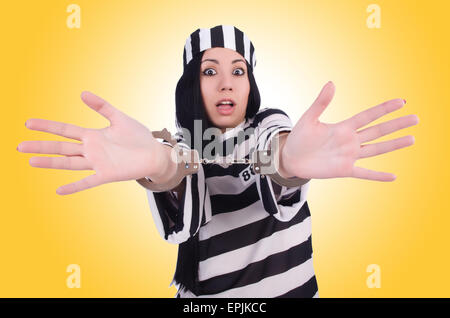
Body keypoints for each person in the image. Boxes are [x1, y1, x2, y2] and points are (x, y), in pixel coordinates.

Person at [17, 25, 419, 298]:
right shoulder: (181, 148)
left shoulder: (271, 125)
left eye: (238, 71)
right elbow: (177, 173)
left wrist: (290, 159)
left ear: (249, 83)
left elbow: (273, 154)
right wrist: (155, 162)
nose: (226, 82)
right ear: (193, 83)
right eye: (210, 71)